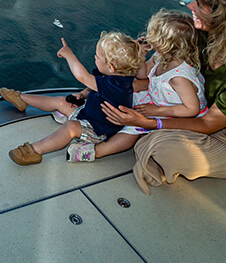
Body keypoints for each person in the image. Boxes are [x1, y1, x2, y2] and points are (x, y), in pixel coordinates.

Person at [102, 0, 226, 194]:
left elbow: (207, 125)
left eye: (200, 4)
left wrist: (150, 122)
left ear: (223, 15)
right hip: (195, 114)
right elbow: (160, 77)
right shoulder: (200, 36)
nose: (190, 5)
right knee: (123, 99)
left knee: (158, 145)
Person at [69, 9, 208, 161]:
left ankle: (96, 151)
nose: (149, 37)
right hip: (159, 99)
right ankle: (89, 118)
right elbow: (142, 74)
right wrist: (141, 55)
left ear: (165, 43)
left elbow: (192, 109)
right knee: (119, 94)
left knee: (131, 129)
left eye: (153, 34)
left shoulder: (179, 78)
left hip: (175, 111)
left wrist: (158, 110)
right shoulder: (161, 56)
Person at [1, 32, 143, 165]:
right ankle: (21, 99)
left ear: (111, 67)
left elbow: (83, 77)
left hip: (97, 129)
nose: (94, 57)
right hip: (88, 113)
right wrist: (83, 94)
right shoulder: (117, 76)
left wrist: (69, 55)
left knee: (70, 128)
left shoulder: (118, 85)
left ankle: (35, 150)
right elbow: (96, 87)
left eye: (97, 57)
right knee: (61, 101)